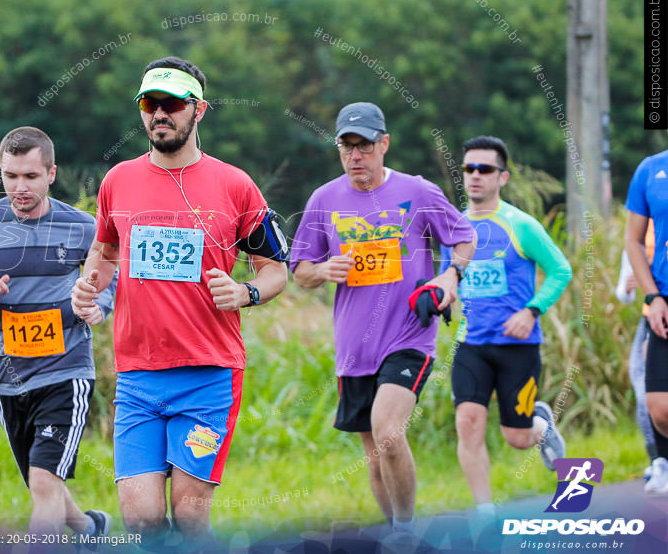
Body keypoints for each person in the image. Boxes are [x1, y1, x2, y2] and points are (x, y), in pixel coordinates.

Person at [70, 57, 288, 547]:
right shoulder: (118, 181)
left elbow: (276, 269)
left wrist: (245, 293)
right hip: (137, 376)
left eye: (172, 104)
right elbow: (105, 252)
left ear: (199, 110)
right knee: (141, 519)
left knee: (189, 518)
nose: (159, 114)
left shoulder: (235, 185)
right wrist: (90, 289)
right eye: (150, 103)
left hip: (208, 376)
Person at [290, 102, 476, 535]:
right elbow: (300, 272)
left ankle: (408, 530)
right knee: (375, 453)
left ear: (384, 144)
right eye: (347, 146)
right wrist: (323, 270)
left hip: (409, 334)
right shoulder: (324, 199)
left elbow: (464, 237)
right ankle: (395, 533)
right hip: (354, 348)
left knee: (387, 431)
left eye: (365, 145)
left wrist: (450, 276)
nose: (356, 155)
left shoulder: (418, 191)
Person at [0, 126, 116, 541]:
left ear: (51, 173)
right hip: (8, 378)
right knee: (43, 483)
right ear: (1, 173)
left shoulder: (82, 226)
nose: (20, 187)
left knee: (43, 482)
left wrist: (99, 305)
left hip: (65, 373)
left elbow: (110, 279)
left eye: (31, 176)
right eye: (11, 176)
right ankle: (91, 530)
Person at [441, 136, 571, 518]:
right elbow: (448, 276)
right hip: (472, 345)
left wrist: (532, 310)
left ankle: (540, 426)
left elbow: (560, 270)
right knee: (467, 422)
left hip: (518, 346)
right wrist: (440, 298)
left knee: (516, 438)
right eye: (469, 169)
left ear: (503, 177)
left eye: (485, 169)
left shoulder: (520, 225)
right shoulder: (455, 226)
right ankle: (485, 511)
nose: (475, 176)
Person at [625, 146, 668, 494]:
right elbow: (633, 239)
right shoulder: (651, 169)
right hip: (663, 303)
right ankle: (662, 462)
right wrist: (652, 297)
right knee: (659, 408)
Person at [615, 221, 658, 476]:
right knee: (642, 386)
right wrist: (629, 287)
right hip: (650, 318)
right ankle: (657, 459)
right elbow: (623, 293)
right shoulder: (637, 235)